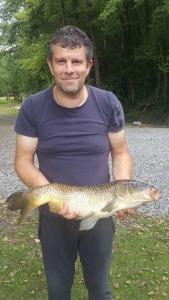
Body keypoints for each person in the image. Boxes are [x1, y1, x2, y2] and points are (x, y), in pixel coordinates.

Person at [14, 25, 132, 300]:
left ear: (88, 65)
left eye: (77, 61)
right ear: (50, 65)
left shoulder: (108, 103)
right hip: (53, 218)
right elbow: (22, 161)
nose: (69, 69)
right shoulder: (33, 107)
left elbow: (121, 152)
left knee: (99, 291)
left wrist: (123, 189)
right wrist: (52, 197)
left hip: (100, 212)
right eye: (61, 61)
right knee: (57, 291)